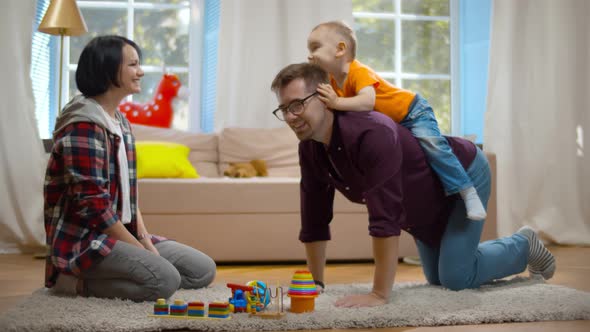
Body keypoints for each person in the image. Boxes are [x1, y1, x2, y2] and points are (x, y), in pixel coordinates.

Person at [270, 62, 556, 308]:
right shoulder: (310, 149)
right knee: (438, 278)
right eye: (284, 109)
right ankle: (494, 251)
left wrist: (379, 294)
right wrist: (316, 284)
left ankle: (523, 244)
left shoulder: (372, 133)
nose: (291, 116)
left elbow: (384, 216)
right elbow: (314, 215)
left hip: (462, 176)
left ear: (324, 96)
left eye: (297, 105)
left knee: (456, 278)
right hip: (422, 206)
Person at [44, 35, 216, 302]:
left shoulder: (120, 123)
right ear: (108, 69)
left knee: (202, 270)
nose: (141, 72)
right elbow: (94, 205)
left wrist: (145, 240)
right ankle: (71, 283)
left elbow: (129, 197)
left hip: (120, 230)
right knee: (165, 281)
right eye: (133, 65)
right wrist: (142, 252)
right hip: (86, 239)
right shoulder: (83, 125)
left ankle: (128, 273)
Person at [307, 20, 487, 221]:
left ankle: (468, 191)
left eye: (315, 47)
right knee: (418, 158)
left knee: (433, 146)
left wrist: (336, 101)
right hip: (394, 126)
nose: (310, 55)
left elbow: (367, 101)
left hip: (412, 111)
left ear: (340, 49)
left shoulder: (357, 71)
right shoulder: (332, 81)